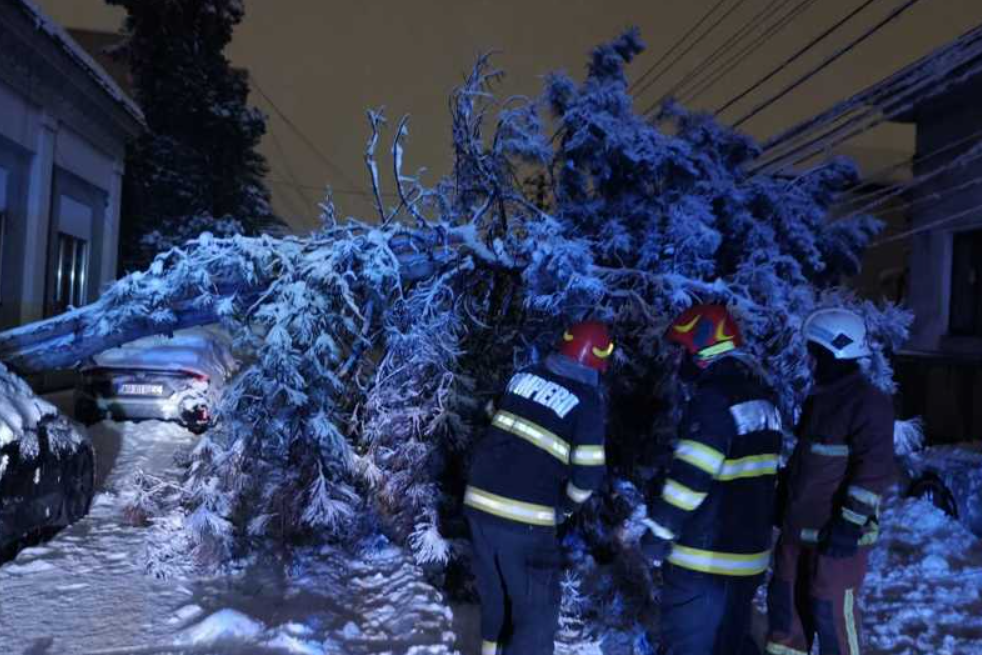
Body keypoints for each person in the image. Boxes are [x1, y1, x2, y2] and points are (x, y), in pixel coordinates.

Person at [640, 303, 783, 655]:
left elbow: (691, 477)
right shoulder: (763, 400)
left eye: (683, 351)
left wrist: (658, 535)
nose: (679, 361)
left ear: (701, 351)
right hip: (747, 560)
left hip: (702, 563)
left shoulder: (712, 401)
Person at [464, 320, 612, 655]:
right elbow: (588, 473)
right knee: (536, 613)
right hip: (526, 518)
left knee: (495, 593)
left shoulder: (524, 375)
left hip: (478, 503)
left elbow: (489, 412)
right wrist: (568, 507)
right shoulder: (587, 401)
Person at [765, 308, 895, 655]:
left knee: (832, 616)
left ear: (831, 352)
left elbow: (874, 472)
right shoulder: (822, 399)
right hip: (798, 534)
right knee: (785, 616)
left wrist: (849, 524)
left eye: (813, 351)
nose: (808, 360)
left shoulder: (869, 404)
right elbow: (810, 463)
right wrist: (783, 498)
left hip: (836, 540)